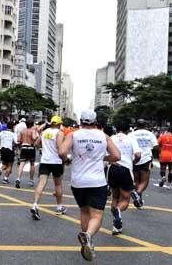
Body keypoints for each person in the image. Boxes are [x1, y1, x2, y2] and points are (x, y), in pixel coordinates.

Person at [58, 109, 120, 262]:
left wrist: (67, 159)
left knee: (84, 212)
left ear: (81, 121)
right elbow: (117, 156)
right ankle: (88, 236)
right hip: (97, 181)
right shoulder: (103, 136)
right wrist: (103, 157)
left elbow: (61, 152)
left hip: (78, 181)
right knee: (97, 214)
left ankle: (87, 242)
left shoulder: (73, 134)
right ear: (95, 122)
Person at [108, 119, 142, 235]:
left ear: (115, 128)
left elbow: (104, 154)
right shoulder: (131, 139)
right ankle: (118, 211)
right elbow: (138, 155)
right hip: (125, 169)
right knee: (125, 199)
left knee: (114, 198)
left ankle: (116, 227)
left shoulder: (111, 138)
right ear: (128, 129)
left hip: (112, 169)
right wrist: (132, 162)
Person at [31, 116, 68, 220]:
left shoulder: (44, 132)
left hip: (45, 161)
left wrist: (45, 148)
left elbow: (36, 144)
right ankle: (59, 207)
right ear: (60, 124)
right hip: (56, 161)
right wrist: (66, 158)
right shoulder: (60, 133)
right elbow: (59, 147)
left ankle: (35, 204)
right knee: (58, 184)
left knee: (41, 183)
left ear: (51, 123)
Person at [130, 119, 159, 208]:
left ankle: (139, 200)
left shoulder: (131, 134)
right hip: (146, 159)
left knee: (137, 181)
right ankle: (137, 193)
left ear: (136, 125)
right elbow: (156, 147)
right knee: (144, 181)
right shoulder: (150, 134)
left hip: (134, 159)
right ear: (145, 125)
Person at [15, 119, 39, 188]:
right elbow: (34, 138)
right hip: (30, 147)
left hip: (23, 147)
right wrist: (37, 137)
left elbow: (18, 140)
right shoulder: (33, 131)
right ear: (32, 125)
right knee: (32, 163)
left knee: (22, 163)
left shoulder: (22, 131)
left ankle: (18, 178)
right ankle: (31, 180)